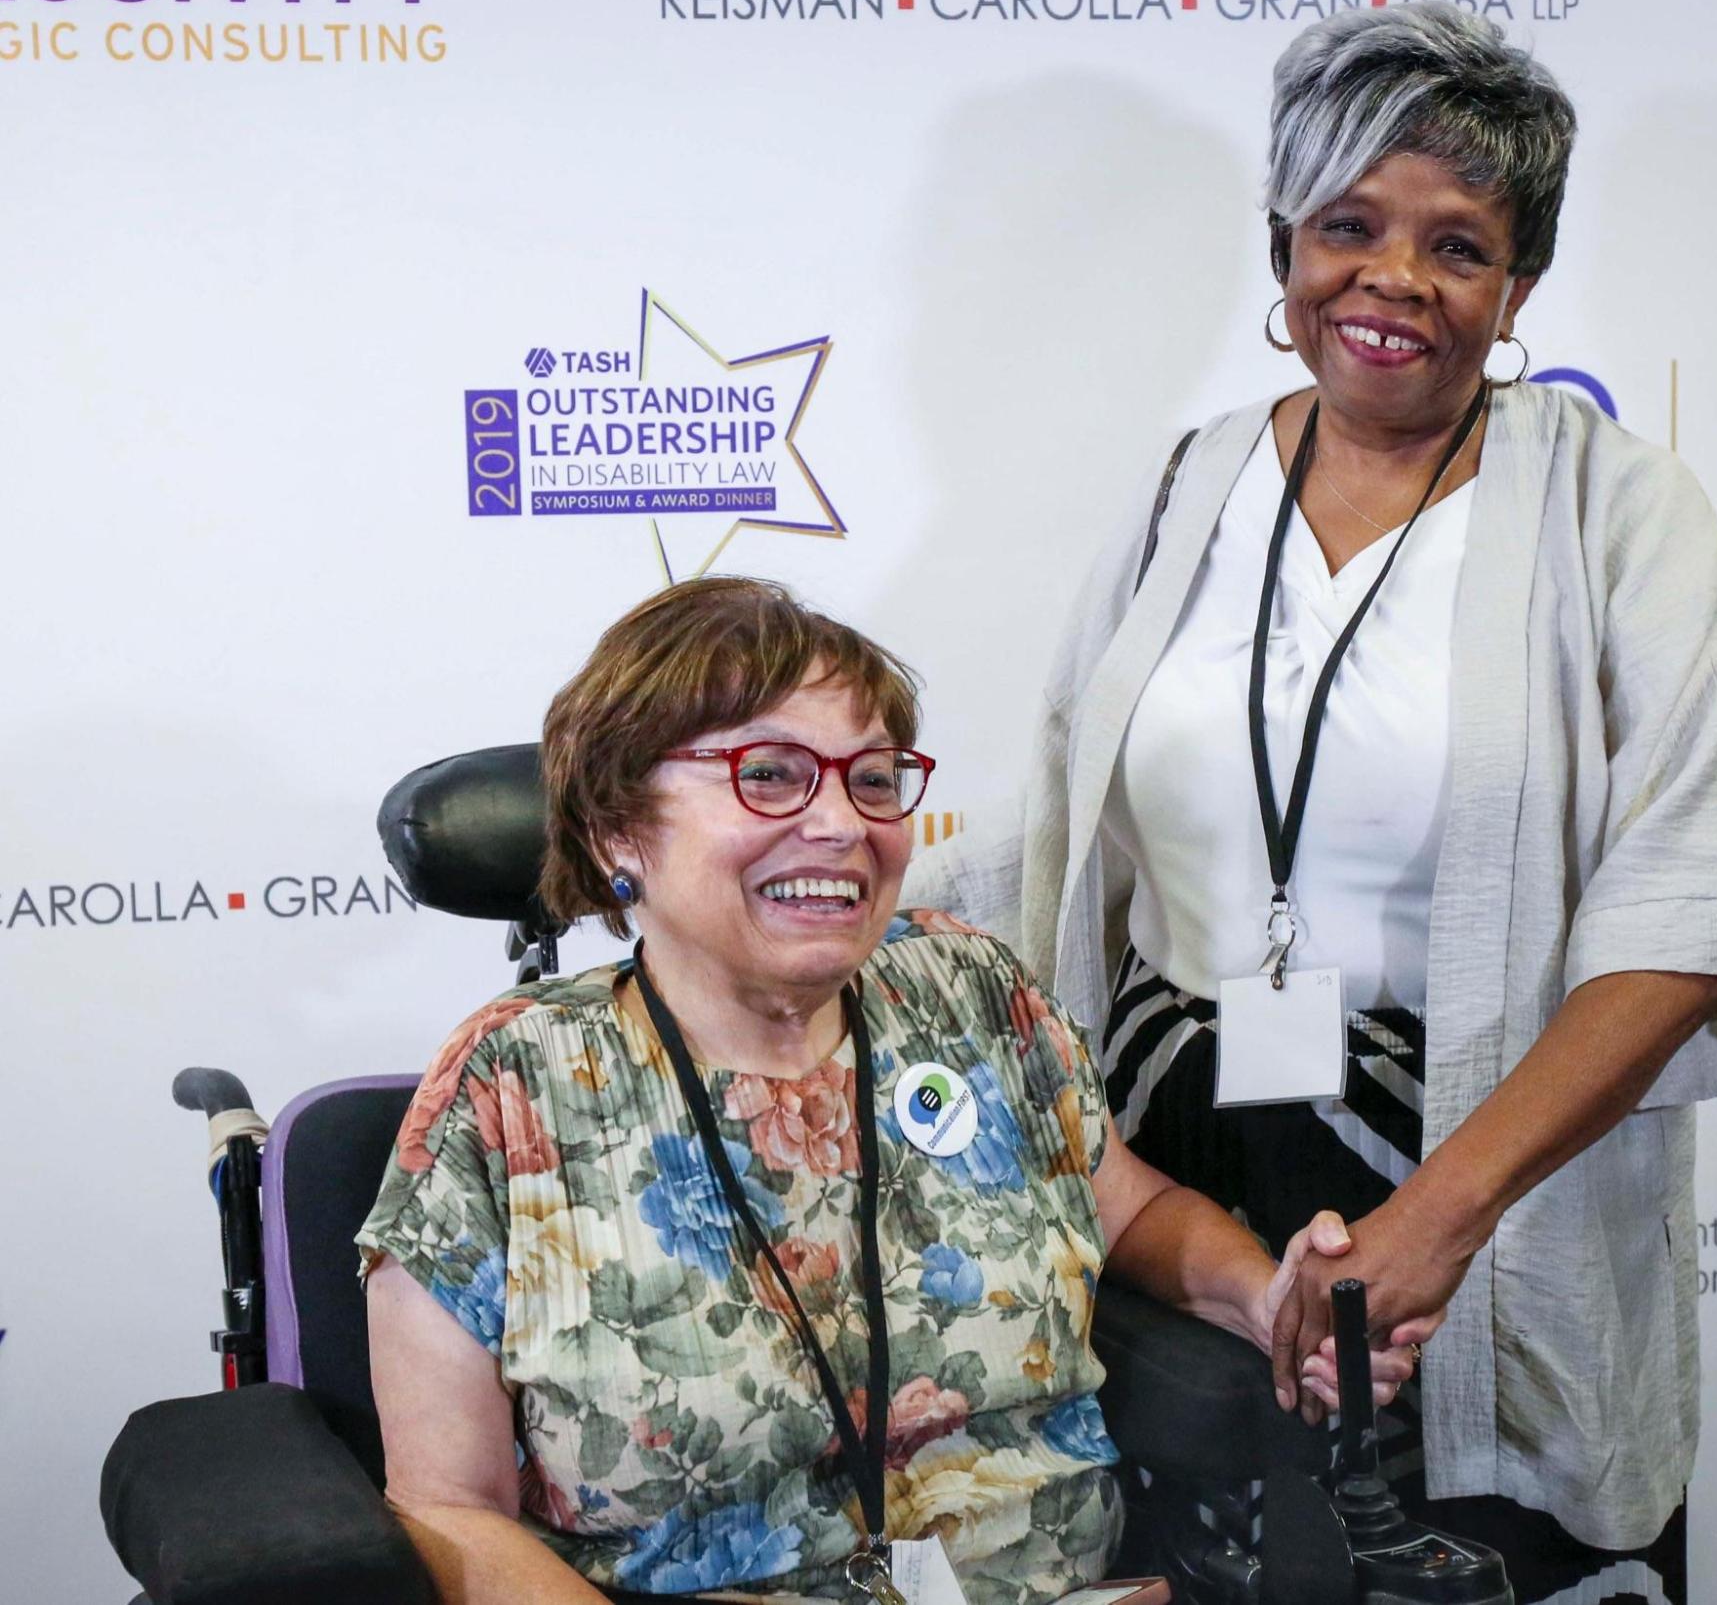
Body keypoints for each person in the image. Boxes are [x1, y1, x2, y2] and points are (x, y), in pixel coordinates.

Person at [904, 2, 1717, 1605]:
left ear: (1516, 286)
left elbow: (1687, 904)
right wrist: (822, 889)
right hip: (1168, 1159)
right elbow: (1066, 822)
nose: (1390, 278)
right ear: (1281, 248)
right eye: (1347, 226)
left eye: (1455, 243)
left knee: (1473, 1553)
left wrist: (1438, 1217)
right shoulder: (1185, 484)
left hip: (1477, 1155)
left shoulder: (1624, 518)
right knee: (1188, 1560)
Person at [356, 576, 1402, 1605]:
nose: (841, 823)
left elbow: (1130, 1211)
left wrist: (1263, 1297)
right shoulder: (508, 1085)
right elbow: (448, 1506)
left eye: (871, 778)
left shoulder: (969, 989)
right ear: (618, 827)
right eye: (769, 774)